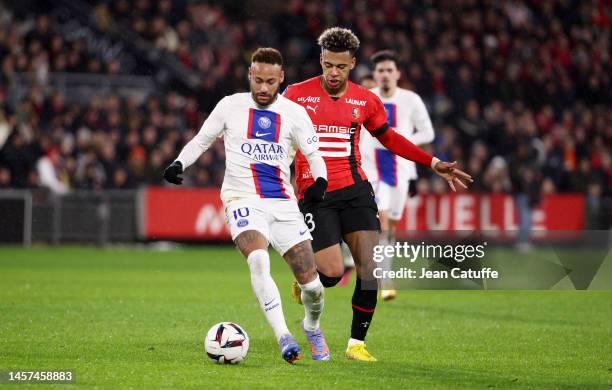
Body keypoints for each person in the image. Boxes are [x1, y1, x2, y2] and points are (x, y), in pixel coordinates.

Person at [284, 28, 472, 362]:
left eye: (341, 67)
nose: (333, 73)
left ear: (353, 64)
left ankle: (356, 344)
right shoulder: (296, 95)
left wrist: (432, 162)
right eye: (328, 65)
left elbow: (390, 138)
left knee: (370, 271)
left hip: (356, 191)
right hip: (317, 196)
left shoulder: (364, 100)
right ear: (321, 60)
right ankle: (305, 277)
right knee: (329, 275)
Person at [163, 48, 330, 364]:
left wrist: (320, 182)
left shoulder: (294, 113)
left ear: (281, 78)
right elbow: (201, 139)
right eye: (258, 80)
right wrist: (179, 163)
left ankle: (312, 326)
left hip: (282, 204)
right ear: (249, 76)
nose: (264, 88)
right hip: (241, 199)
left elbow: (314, 155)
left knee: (313, 285)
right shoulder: (230, 106)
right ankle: (284, 337)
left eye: (270, 81)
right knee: (258, 260)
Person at [360, 50, 436, 301]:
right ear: (374, 74)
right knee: (381, 221)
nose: (384, 75)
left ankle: (384, 272)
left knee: (391, 226)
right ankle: (383, 279)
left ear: (398, 74)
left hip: (401, 170)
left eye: (389, 70)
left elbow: (428, 133)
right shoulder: (366, 98)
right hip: (373, 170)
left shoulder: (411, 100)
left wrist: (401, 142)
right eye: (380, 70)